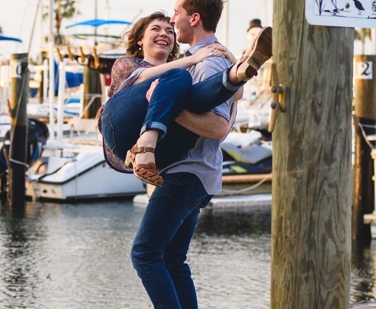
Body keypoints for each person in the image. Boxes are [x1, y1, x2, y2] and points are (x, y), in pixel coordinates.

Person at [107, 0, 272, 309]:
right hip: (195, 175)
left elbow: (217, 127)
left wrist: (166, 114)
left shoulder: (206, 62)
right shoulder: (196, 61)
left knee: (144, 254)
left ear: (192, 18)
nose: (173, 21)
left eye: (177, 14)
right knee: (171, 259)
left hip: (186, 173)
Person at [99, 13, 269, 185]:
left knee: (195, 92)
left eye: (170, 31)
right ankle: (144, 144)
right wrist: (194, 58)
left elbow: (235, 96)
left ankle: (237, 72)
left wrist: (231, 61)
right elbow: (144, 77)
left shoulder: (185, 73)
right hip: (122, 130)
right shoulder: (125, 63)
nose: (164, 34)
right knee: (178, 77)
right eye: (156, 29)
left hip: (162, 150)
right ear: (140, 40)